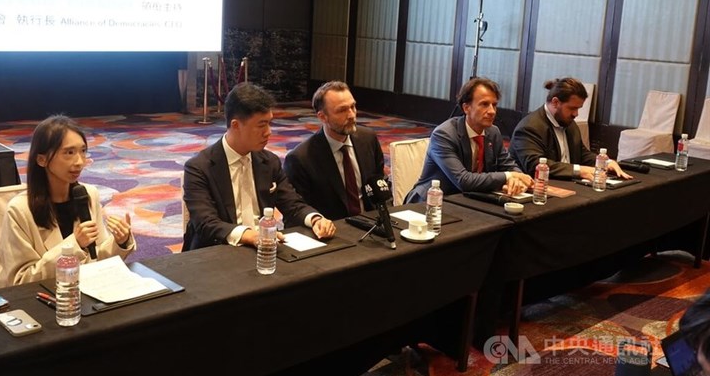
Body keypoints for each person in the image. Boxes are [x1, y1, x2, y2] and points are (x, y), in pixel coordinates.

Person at [182, 82, 336, 250]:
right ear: (236, 125)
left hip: (264, 249)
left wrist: (315, 219)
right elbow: (206, 223)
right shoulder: (199, 167)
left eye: (270, 123)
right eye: (261, 125)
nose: (269, 132)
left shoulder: (269, 161)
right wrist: (251, 236)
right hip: (218, 250)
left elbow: (292, 205)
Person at [0, 115, 136, 288]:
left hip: (87, 294)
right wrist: (73, 246)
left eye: (83, 151)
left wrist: (119, 242)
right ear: (42, 159)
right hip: (46, 300)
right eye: (69, 153)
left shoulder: (88, 195)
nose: (79, 162)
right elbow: (20, 281)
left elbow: (96, 261)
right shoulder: (20, 209)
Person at [405, 77, 532, 202]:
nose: (492, 111)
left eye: (494, 105)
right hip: (432, 202)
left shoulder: (493, 132)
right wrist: (508, 176)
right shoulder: (444, 134)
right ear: (466, 108)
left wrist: (516, 178)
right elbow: (463, 181)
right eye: (484, 104)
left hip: (469, 200)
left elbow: (509, 165)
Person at [283, 81, 385, 220]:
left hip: (372, 223)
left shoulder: (368, 139)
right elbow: (296, 209)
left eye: (353, 107)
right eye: (342, 110)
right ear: (322, 117)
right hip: (333, 230)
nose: (351, 115)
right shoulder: (301, 158)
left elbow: (380, 183)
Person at [509, 77, 631, 180]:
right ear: (556, 102)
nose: (576, 114)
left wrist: (605, 162)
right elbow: (535, 165)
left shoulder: (569, 123)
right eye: (572, 108)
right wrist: (580, 170)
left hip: (568, 184)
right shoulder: (529, 128)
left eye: (579, 108)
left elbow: (582, 155)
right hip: (540, 188)